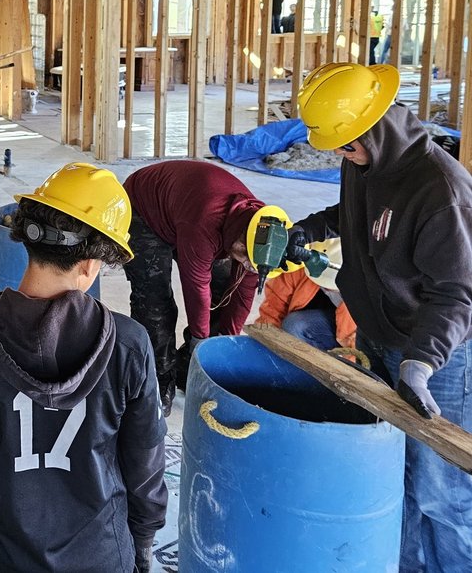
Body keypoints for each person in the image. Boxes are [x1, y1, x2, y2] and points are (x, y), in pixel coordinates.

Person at [0, 163, 167, 573]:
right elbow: (145, 459)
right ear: (91, 263)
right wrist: (143, 540)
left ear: (26, 240)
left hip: (9, 555)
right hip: (103, 554)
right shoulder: (130, 344)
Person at [293, 61, 472, 571]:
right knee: (396, 475)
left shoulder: (442, 193)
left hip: (439, 352)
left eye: (346, 146)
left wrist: (421, 362)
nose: (342, 156)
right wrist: (311, 227)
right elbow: (355, 214)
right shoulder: (365, 161)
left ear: (375, 128)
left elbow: (458, 293)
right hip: (381, 331)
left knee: (443, 490)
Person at [122, 160, 288, 414]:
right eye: (244, 258)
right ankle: (157, 381)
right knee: (155, 304)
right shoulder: (205, 222)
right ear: (240, 244)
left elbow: (242, 293)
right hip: (143, 209)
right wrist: (201, 341)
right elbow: (196, 286)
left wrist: (226, 342)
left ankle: (187, 369)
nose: (246, 265)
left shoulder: (262, 235)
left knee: (223, 292)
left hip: (185, 209)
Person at [256, 239, 359, 354]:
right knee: (294, 326)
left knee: (294, 326)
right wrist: (265, 343)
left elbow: (357, 347)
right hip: (317, 322)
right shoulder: (299, 267)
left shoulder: (360, 292)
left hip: (353, 336)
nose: (326, 288)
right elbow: (273, 307)